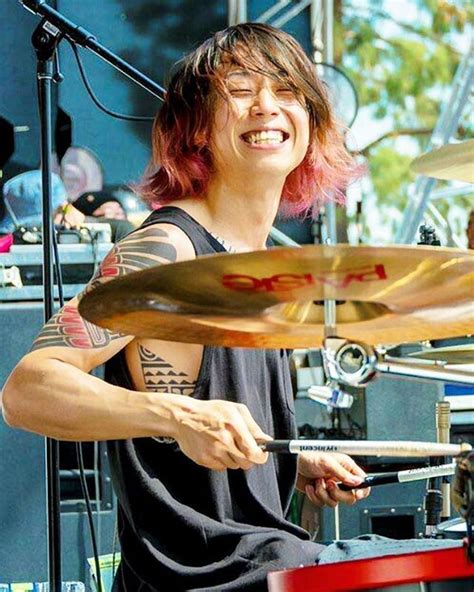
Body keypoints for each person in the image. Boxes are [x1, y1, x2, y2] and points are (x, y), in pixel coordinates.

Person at [2, 23, 370, 591]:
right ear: (197, 127)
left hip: (264, 560)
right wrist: (180, 416)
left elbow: (203, 454)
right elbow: (27, 389)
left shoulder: (259, 261)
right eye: (241, 89)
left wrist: (290, 466)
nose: (266, 107)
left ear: (313, 121)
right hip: (204, 579)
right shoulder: (167, 250)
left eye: (287, 91)